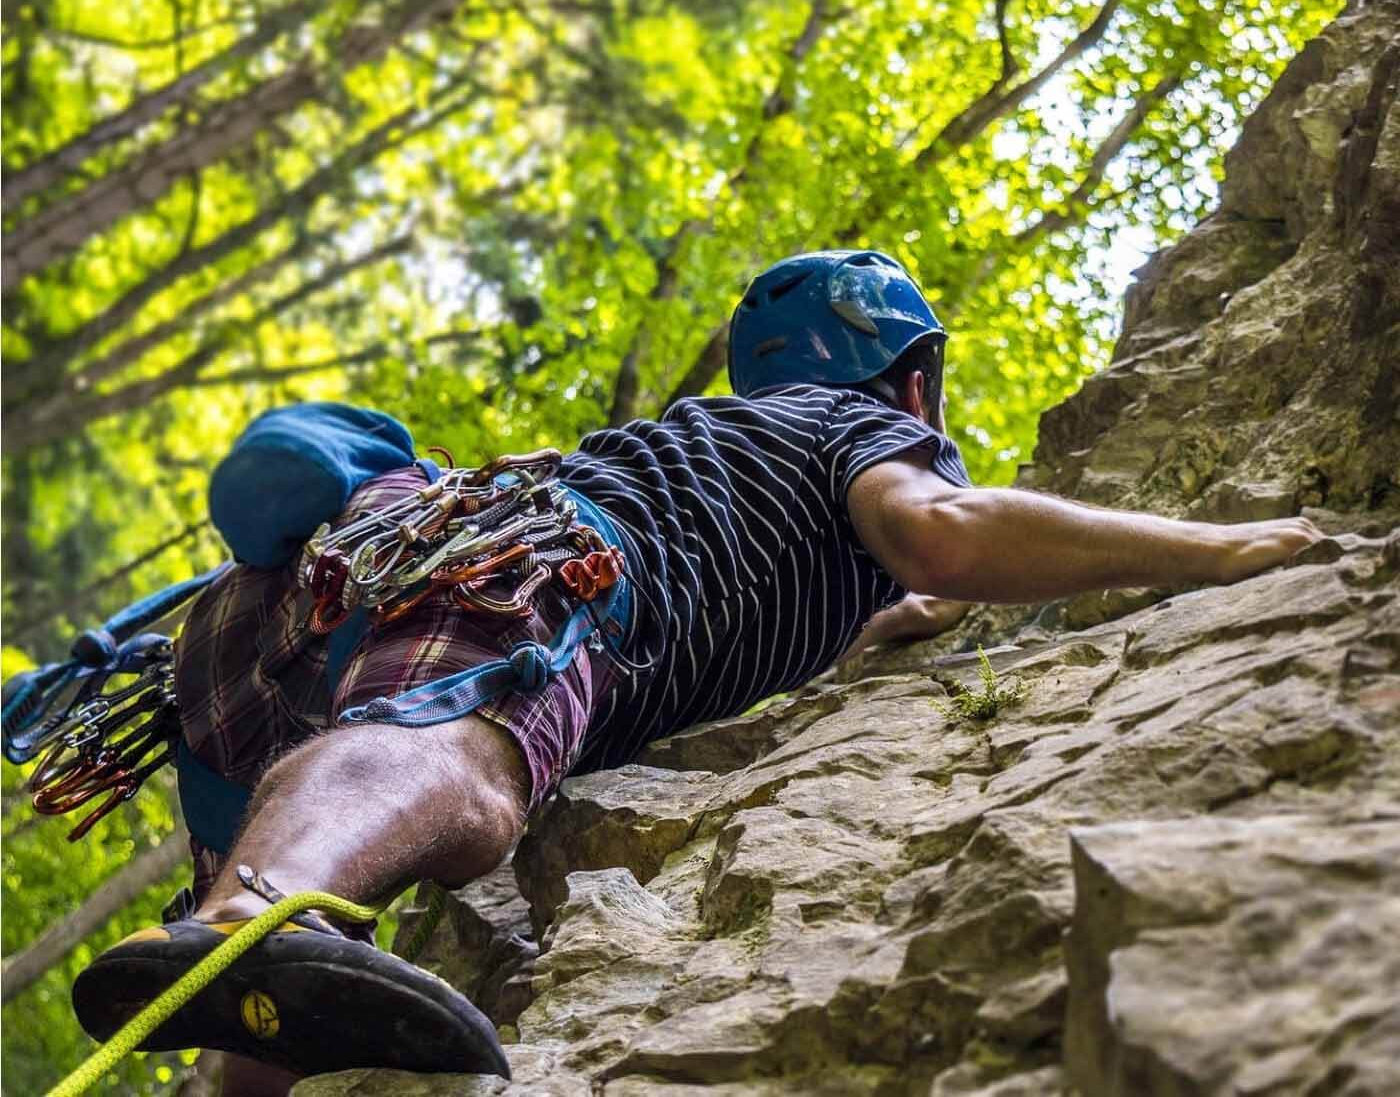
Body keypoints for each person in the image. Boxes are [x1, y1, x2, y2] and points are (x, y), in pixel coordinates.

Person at [73, 250, 1322, 1095]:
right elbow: (940, 532)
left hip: (257, 639)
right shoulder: (855, 429)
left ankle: (239, 999)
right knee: (466, 757)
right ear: (912, 378)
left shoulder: (734, 470)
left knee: (286, 962)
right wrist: (1221, 547)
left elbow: (884, 602)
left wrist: (897, 620)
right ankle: (248, 915)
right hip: (531, 563)